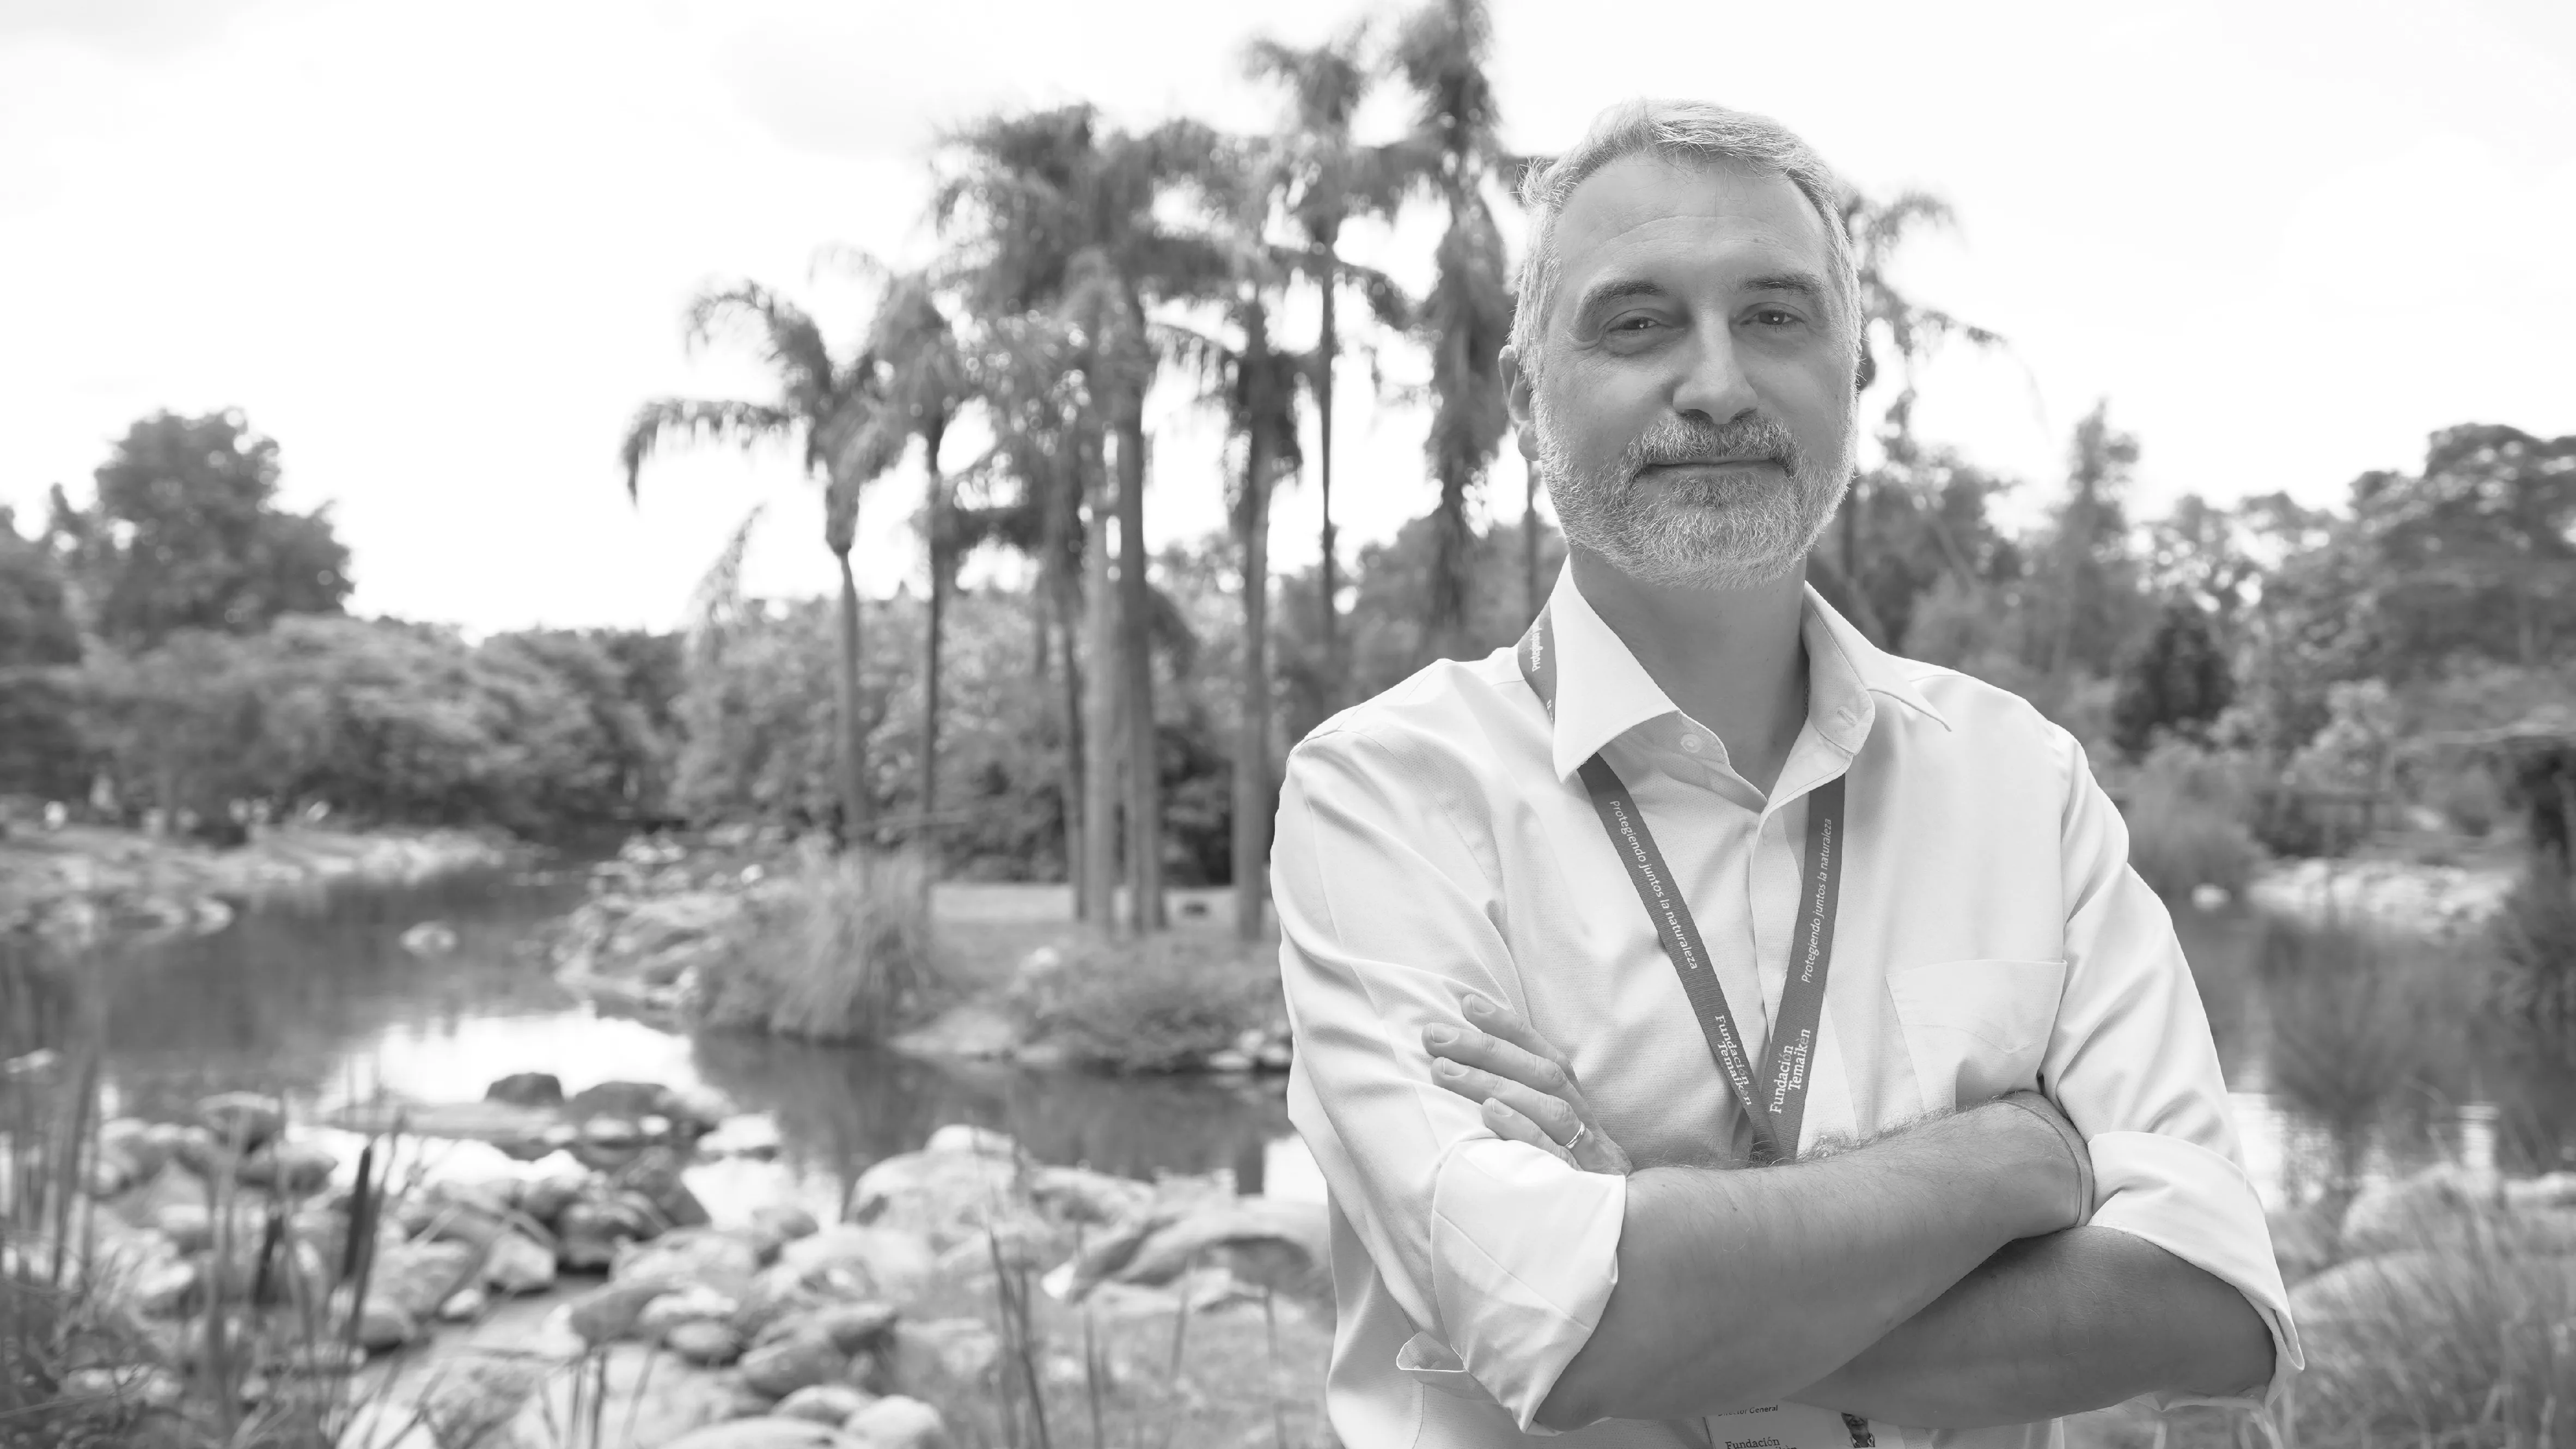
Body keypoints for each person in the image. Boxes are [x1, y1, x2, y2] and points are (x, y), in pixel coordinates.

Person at [1271, 98, 2296, 1449]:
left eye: (1773, 316)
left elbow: (2209, 1311)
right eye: (1637, 323)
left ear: (1852, 373)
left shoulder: (2021, 781)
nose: (1716, 385)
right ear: (1524, 397)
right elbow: (1559, 1335)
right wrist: (2006, 1160)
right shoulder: (1387, 795)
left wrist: (1663, 1251)